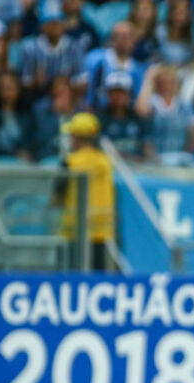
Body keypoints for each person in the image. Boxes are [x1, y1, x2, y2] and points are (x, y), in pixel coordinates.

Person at [58, 112, 116, 271]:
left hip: (75, 231)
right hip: (103, 231)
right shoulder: (106, 161)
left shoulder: (69, 162)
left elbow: (57, 198)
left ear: (75, 137)